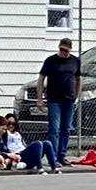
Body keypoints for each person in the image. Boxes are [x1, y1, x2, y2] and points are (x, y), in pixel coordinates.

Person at [38, 37, 82, 166]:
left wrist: (77, 95)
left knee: (66, 128)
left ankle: (62, 156)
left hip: (69, 99)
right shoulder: (51, 61)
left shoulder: (75, 61)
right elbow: (41, 79)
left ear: (70, 50)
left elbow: (79, 79)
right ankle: (54, 157)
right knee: (54, 129)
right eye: (62, 50)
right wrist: (39, 99)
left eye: (66, 51)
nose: (64, 53)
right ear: (59, 48)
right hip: (54, 99)